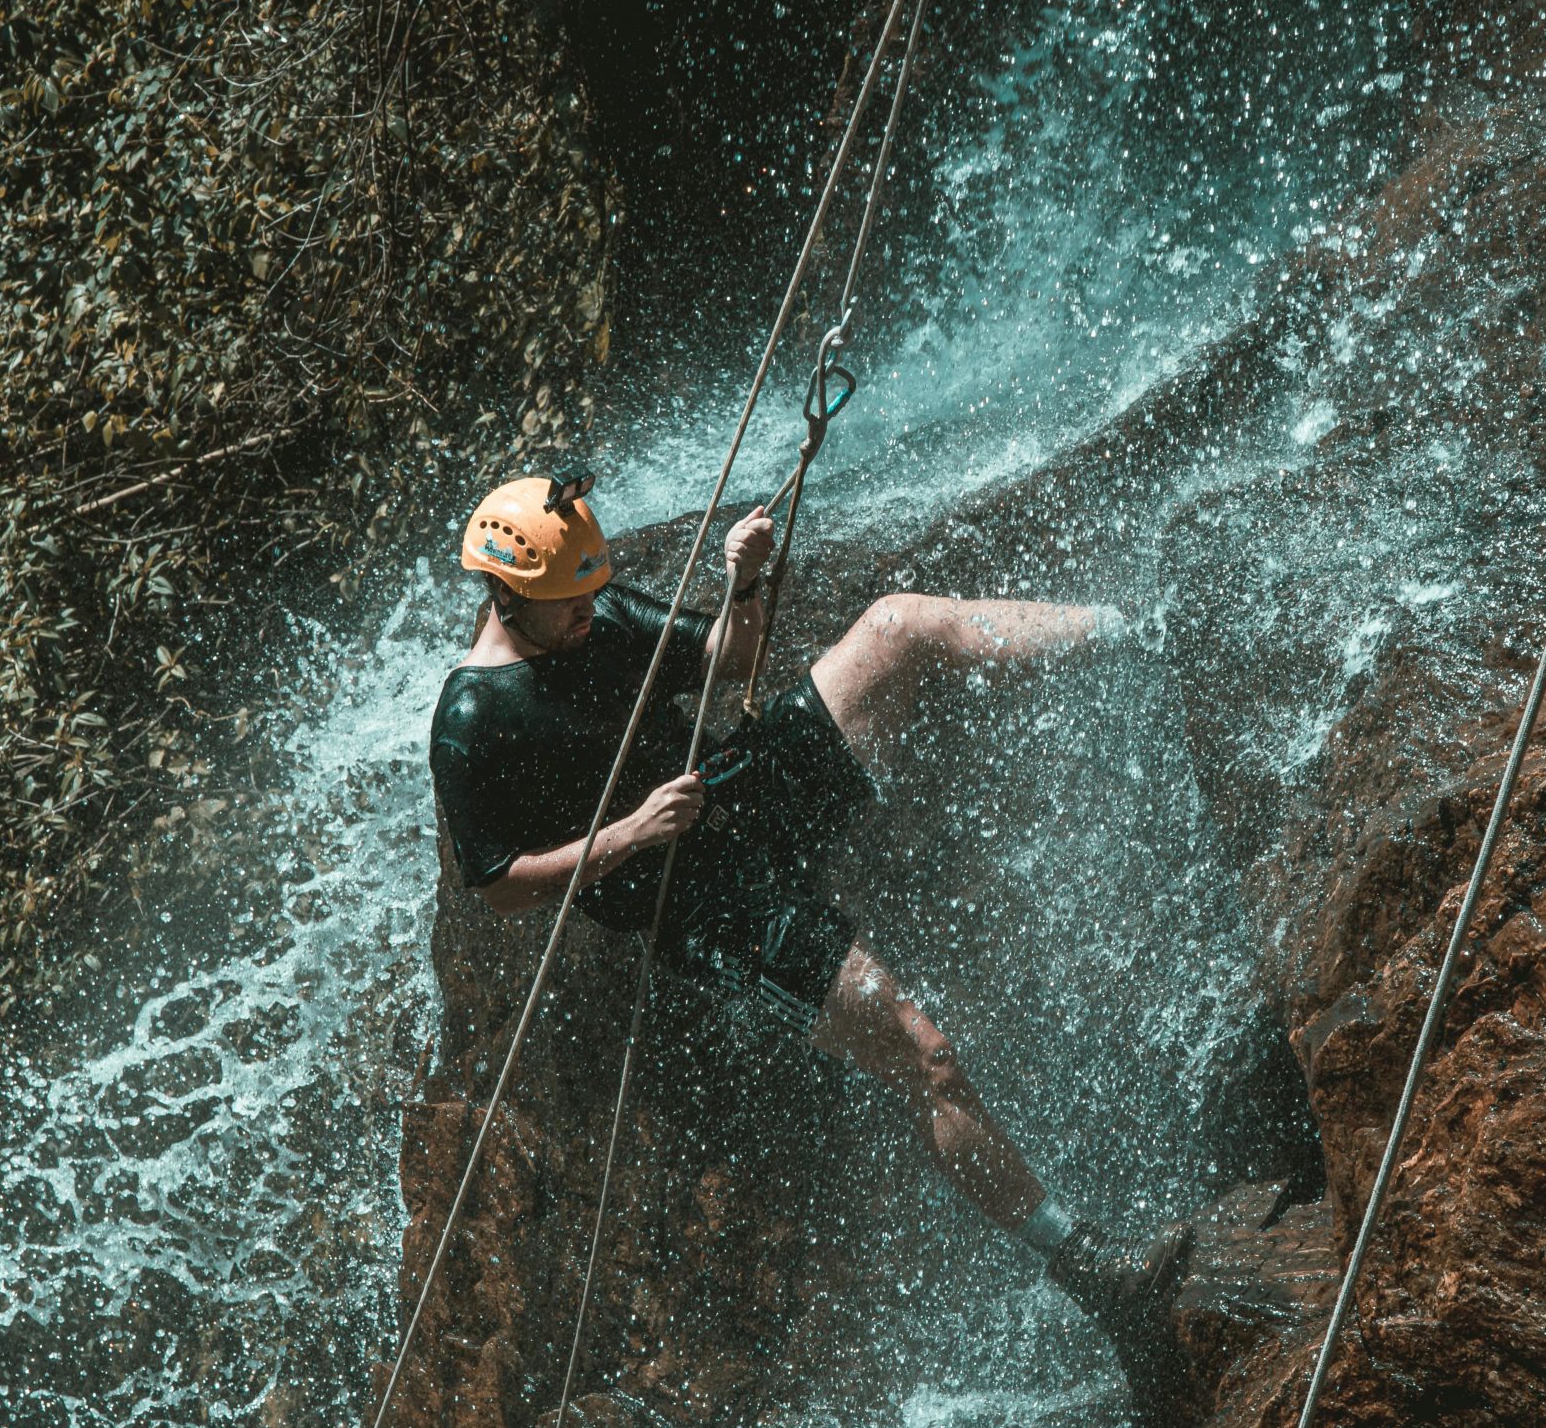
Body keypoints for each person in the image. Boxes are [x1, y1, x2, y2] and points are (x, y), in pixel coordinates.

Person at [426, 473, 1190, 1352]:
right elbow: (498, 883)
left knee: (899, 626)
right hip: (706, 905)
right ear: (507, 594)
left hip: (735, 791)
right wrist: (629, 834)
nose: (589, 617)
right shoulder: (473, 717)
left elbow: (731, 658)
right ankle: (1093, 1271)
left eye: (590, 596)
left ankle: (1145, 632)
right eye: (567, 605)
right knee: (925, 1053)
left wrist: (742, 583)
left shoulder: (589, 615)